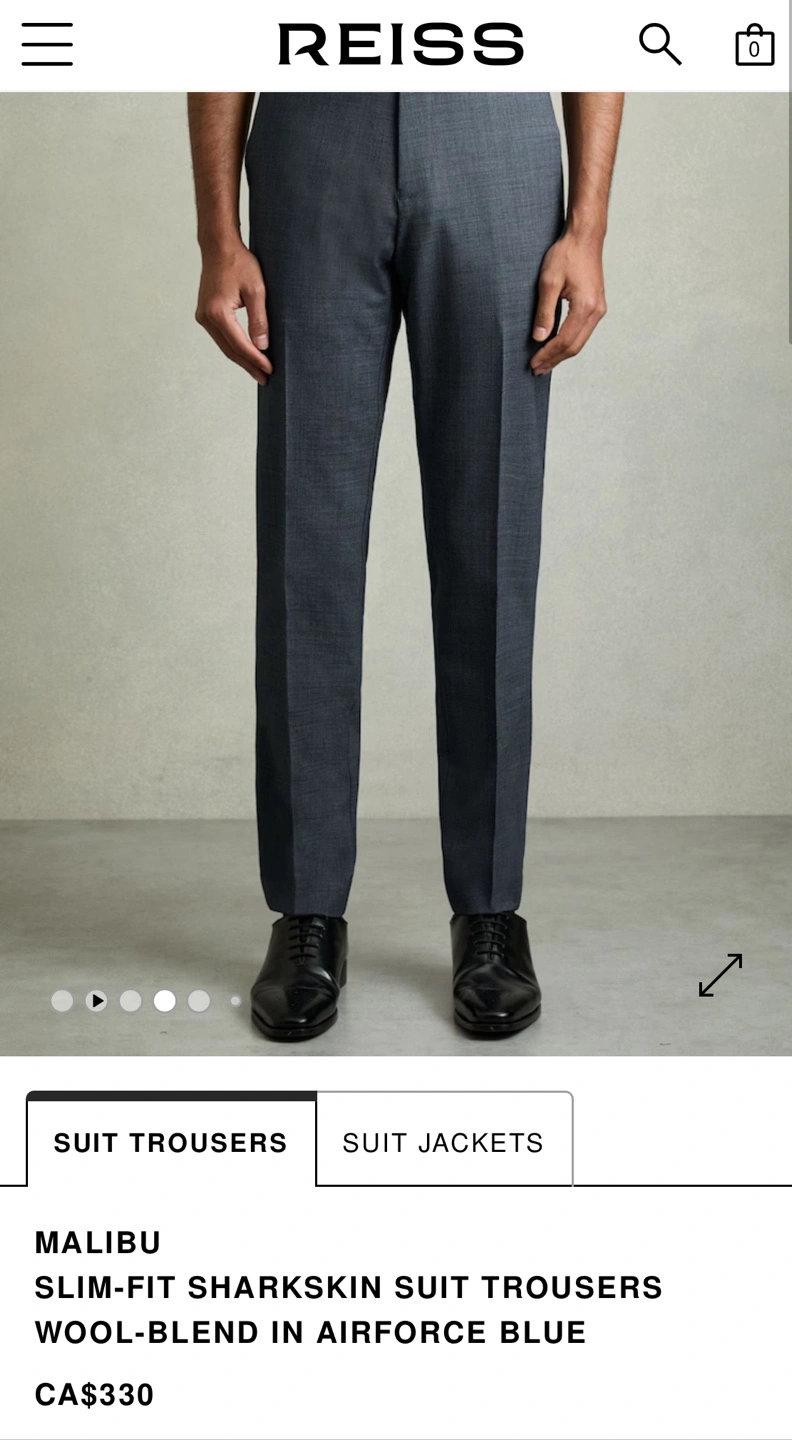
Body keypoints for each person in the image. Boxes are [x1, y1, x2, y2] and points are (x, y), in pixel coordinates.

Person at [187, 91, 624, 1042]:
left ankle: (491, 915)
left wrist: (587, 229)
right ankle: (306, 913)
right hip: (315, 147)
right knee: (306, 552)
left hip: (495, 145)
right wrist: (219, 236)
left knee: (491, 555)